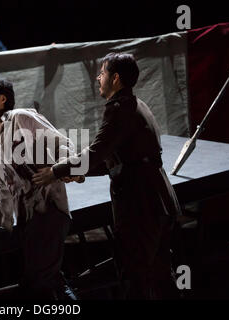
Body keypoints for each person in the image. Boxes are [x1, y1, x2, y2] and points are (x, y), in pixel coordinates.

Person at [33, 53, 181, 299]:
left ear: (115, 78)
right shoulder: (137, 104)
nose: (98, 78)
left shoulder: (119, 108)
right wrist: (80, 175)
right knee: (160, 274)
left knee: (136, 276)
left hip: (141, 204)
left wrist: (54, 172)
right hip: (159, 199)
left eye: (102, 73)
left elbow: (96, 152)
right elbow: (119, 158)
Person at [0, 74, 77, 300]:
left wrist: (69, 170)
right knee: (49, 279)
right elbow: (3, 182)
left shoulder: (21, 117)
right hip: (27, 217)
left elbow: (63, 142)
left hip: (49, 210)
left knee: (37, 283)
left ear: (2, 99)